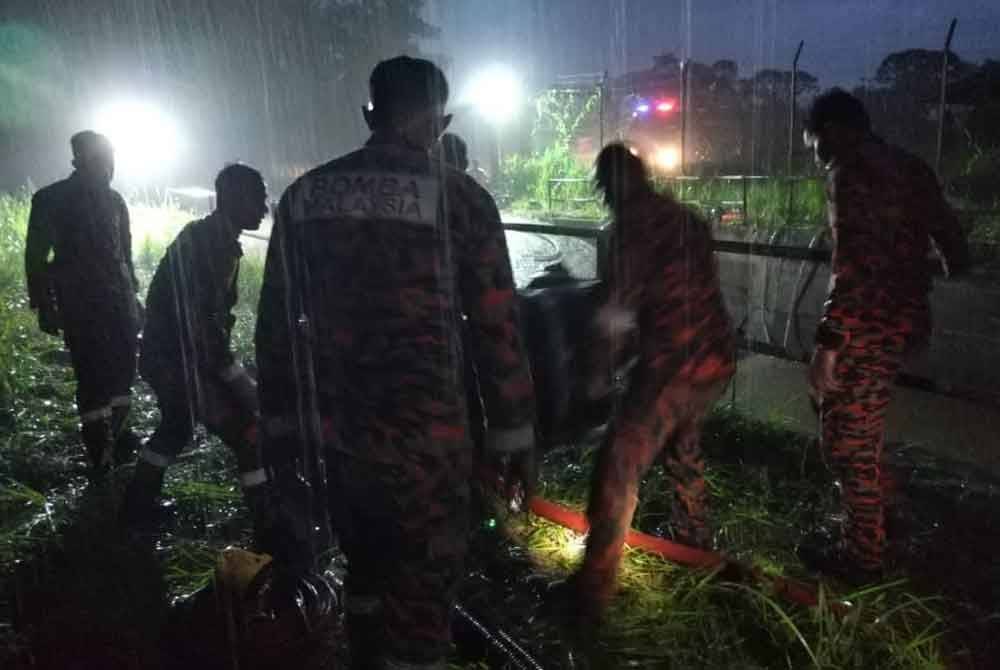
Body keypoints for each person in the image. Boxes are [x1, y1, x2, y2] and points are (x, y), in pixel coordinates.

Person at [255, 56, 536, 669]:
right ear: (441, 122)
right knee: (422, 601)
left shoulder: (305, 198)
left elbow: (275, 329)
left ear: (369, 114)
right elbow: (497, 328)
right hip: (428, 450)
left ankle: (363, 653)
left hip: (337, 442)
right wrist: (513, 434)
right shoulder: (461, 200)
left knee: (364, 567)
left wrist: (278, 429)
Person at [800, 89, 969, 580]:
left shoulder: (850, 171)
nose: (816, 155)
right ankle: (878, 519)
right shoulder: (910, 166)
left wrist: (829, 345)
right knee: (863, 430)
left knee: (845, 444)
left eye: (814, 142)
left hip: (864, 326)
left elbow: (854, 267)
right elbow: (952, 241)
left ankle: (863, 556)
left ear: (832, 130)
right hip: (902, 320)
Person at [563, 143, 735, 620]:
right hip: (715, 360)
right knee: (684, 445)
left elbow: (618, 312)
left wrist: (594, 377)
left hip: (671, 368)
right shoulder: (685, 218)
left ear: (609, 187)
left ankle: (593, 590)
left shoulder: (632, 228)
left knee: (618, 464)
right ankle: (693, 539)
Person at [123, 164, 269, 531]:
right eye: (259, 199)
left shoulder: (210, 239)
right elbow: (201, 325)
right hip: (179, 361)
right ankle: (268, 522)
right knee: (246, 433)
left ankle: (136, 508)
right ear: (234, 198)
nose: (264, 209)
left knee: (176, 426)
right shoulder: (212, 246)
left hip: (171, 357)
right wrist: (237, 380)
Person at [24, 131, 142, 480]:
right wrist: (45, 306)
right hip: (82, 306)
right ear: (79, 160)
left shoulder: (115, 201)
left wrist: (133, 299)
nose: (109, 166)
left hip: (118, 304)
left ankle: (120, 440)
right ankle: (99, 454)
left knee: (123, 374)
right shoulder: (51, 199)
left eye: (110, 158)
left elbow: (125, 257)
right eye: (102, 158)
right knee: (92, 378)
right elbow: (35, 258)